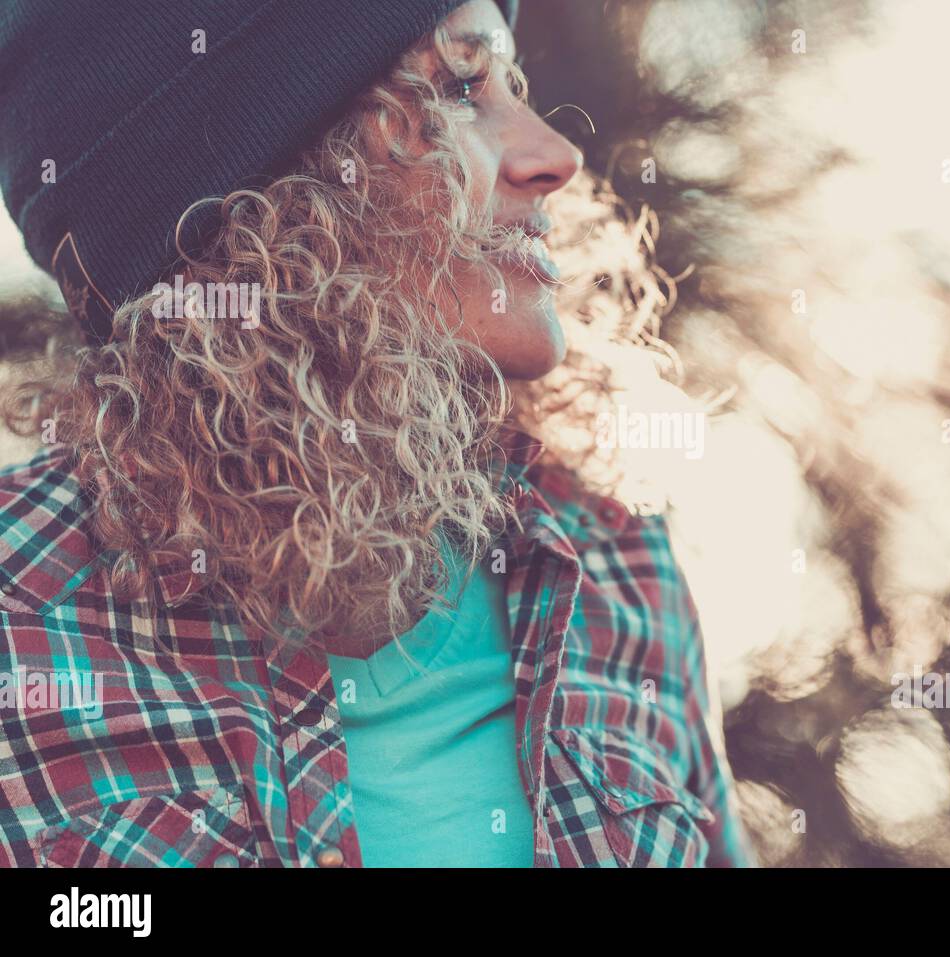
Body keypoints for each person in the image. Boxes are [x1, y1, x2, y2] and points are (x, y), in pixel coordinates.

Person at [0, 0, 753, 867]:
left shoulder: (619, 559)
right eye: (462, 89)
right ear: (268, 203)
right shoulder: (24, 621)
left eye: (515, 82)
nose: (557, 155)